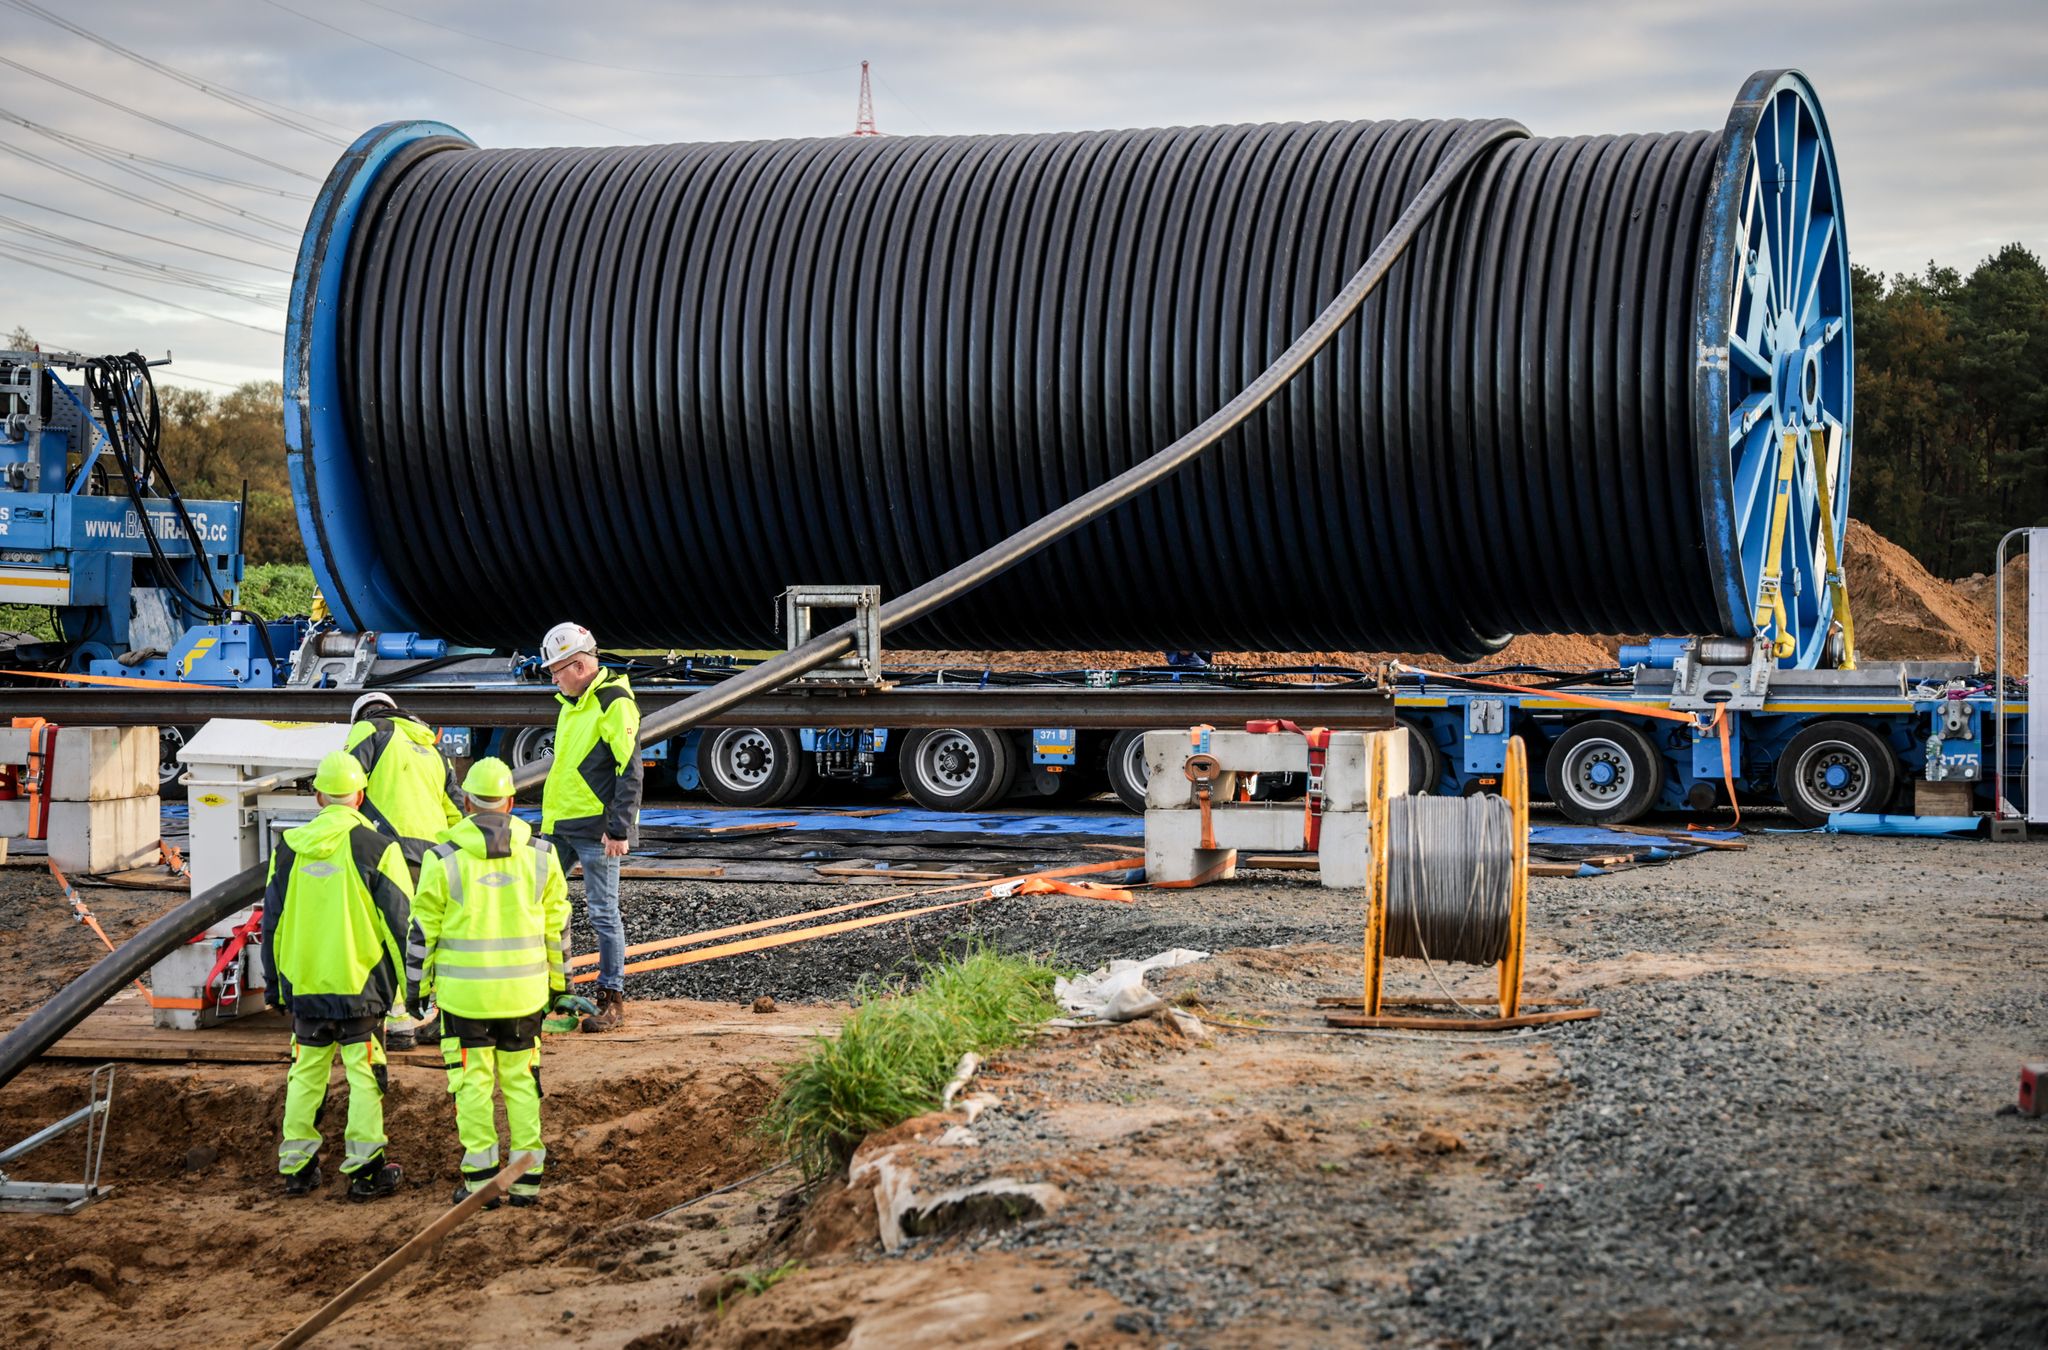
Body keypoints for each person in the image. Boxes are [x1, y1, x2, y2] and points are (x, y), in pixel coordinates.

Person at [406, 757, 571, 1207]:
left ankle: (480, 1183)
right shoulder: (543, 857)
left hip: (466, 1001)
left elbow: (422, 932)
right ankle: (526, 1179)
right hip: (525, 997)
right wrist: (559, 984)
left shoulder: (442, 860)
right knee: (521, 1082)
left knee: (472, 1085)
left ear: (465, 802)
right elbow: (557, 929)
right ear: (512, 803)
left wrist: (416, 989)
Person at [261, 750, 412, 1201]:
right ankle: (366, 1171)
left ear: (318, 797)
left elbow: (273, 921)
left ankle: (297, 1169)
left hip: (305, 983)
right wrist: (415, 989)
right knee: (365, 1077)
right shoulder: (378, 848)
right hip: (360, 985)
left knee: (306, 1073)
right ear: (361, 796)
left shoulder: (288, 848)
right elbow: (400, 923)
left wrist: (275, 983)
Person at [536, 622, 641, 1033]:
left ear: (578, 666)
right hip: (559, 824)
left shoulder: (613, 702)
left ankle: (611, 999)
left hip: (596, 830)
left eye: (556, 670)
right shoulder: (571, 703)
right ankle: (550, 991)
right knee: (538, 907)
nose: (553, 678)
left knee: (602, 913)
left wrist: (619, 829)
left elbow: (629, 769)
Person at [345, 690, 462, 1050]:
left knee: (389, 935)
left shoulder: (369, 730)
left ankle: (400, 1024)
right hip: (432, 852)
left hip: (388, 850)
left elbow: (345, 785)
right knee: (428, 935)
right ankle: (437, 1015)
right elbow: (455, 808)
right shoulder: (430, 746)